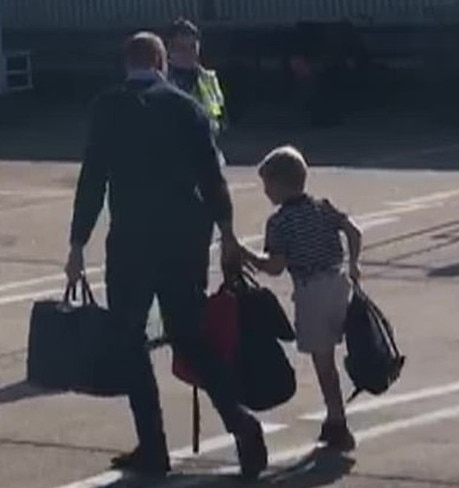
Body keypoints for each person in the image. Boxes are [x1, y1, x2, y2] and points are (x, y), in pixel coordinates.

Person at [63, 31, 267, 480]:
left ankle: (153, 447)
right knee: (190, 335)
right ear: (159, 61)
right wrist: (228, 232)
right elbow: (212, 177)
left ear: (126, 63)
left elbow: (92, 179)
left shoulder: (108, 108)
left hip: (132, 241)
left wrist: (78, 244)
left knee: (130, 341)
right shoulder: (186, 107)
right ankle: (241, 422)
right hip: (183, 241)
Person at [241, 145, 362, 450]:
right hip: (338, 282)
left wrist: (245, 255)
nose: (266, 191)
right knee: (332, 353)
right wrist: (354, 263)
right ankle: (334, 418)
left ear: (280, 184)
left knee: (324, 362)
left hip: (311, 290)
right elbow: (354, 231)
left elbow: (275, 266)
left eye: (268, 185)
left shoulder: (279, 222)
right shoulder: (323, 207)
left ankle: (338, 421)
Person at [167, 18, 228, 137]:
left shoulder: (208, 79)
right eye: (182, 48)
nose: (189, 53)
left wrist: (214, 126)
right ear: (170, 49)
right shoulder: (163, 81)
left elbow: (219, 115)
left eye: (193, 47)